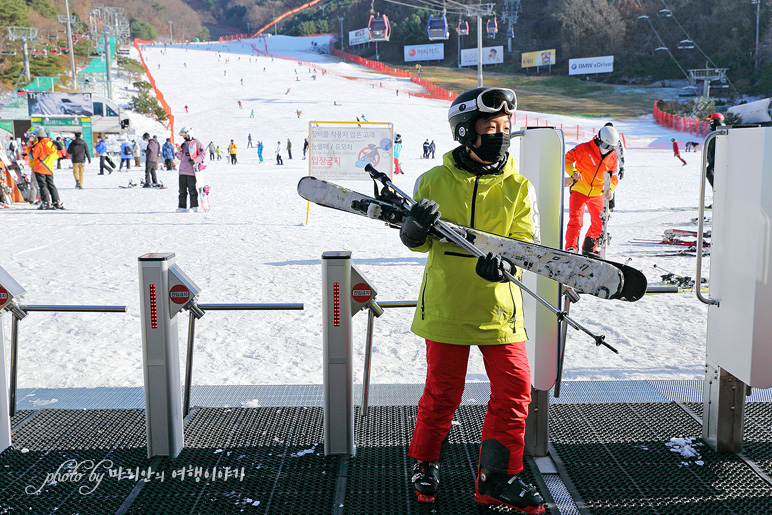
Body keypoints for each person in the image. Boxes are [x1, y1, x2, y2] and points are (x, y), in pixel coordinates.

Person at [402, 87, 544, 514]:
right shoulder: (433, 180)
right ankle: (425, 463)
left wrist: (508, 265)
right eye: (490, 127)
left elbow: (526, 242)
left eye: (504, 127)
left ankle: (497, 478)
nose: (499, 134)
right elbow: (416, 243)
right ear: (466, 130)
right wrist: (413, 230)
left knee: (516, 391)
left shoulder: (519, 186)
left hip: (499, 308)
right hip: (447, 306)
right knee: (442, 393)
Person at [564, 125, 620, 255]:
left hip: (597, 194)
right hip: (579, 189)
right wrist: (573, 172)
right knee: (575, 221)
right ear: (599, 140)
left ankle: (589, 249)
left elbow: (614, 177)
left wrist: (611, 189)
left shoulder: (612, 158)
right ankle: (571, 247)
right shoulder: (584, 148)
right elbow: (567, 159)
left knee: (600, 223)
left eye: (611, 147)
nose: (608, 150)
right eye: (606, 146)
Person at [29, 128, 63, 210]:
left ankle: (45, 202)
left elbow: (32, 156)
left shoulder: (39, 145)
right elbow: (58, 156)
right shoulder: (52, 145)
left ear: (39, 137)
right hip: (49, 169)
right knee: (51, 185)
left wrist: (31, 148)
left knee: (43, 186)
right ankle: (56, 201)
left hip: (40, 168)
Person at [175, 127, 204, 212]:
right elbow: (180, 157)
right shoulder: (184, 144)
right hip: (182, 170)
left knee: (192, 189)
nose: (184, 137)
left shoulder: (196, 143)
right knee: (182, 190)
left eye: (185, 135)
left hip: (191, 171)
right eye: (183, 135)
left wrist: (195, 160)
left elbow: (202, 154)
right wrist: (179, 151)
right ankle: (182, 207)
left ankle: (194, 206)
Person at [603, 122, 625, 211]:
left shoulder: (616, 140)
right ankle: (601, 204)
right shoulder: (601, 137)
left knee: (611, 185)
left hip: (612, 166)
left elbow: (621, 154)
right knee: (600, 185)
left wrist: (622, 167)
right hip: (601, 165)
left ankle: (610, 205)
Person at [706, 113, 725, 189]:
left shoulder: (722, 131)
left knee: (709, 172)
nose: (711, 123)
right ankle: (716, 191)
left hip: (717, 158)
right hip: (712, 158)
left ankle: (717, 190)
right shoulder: (714, 132)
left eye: (712, 121)